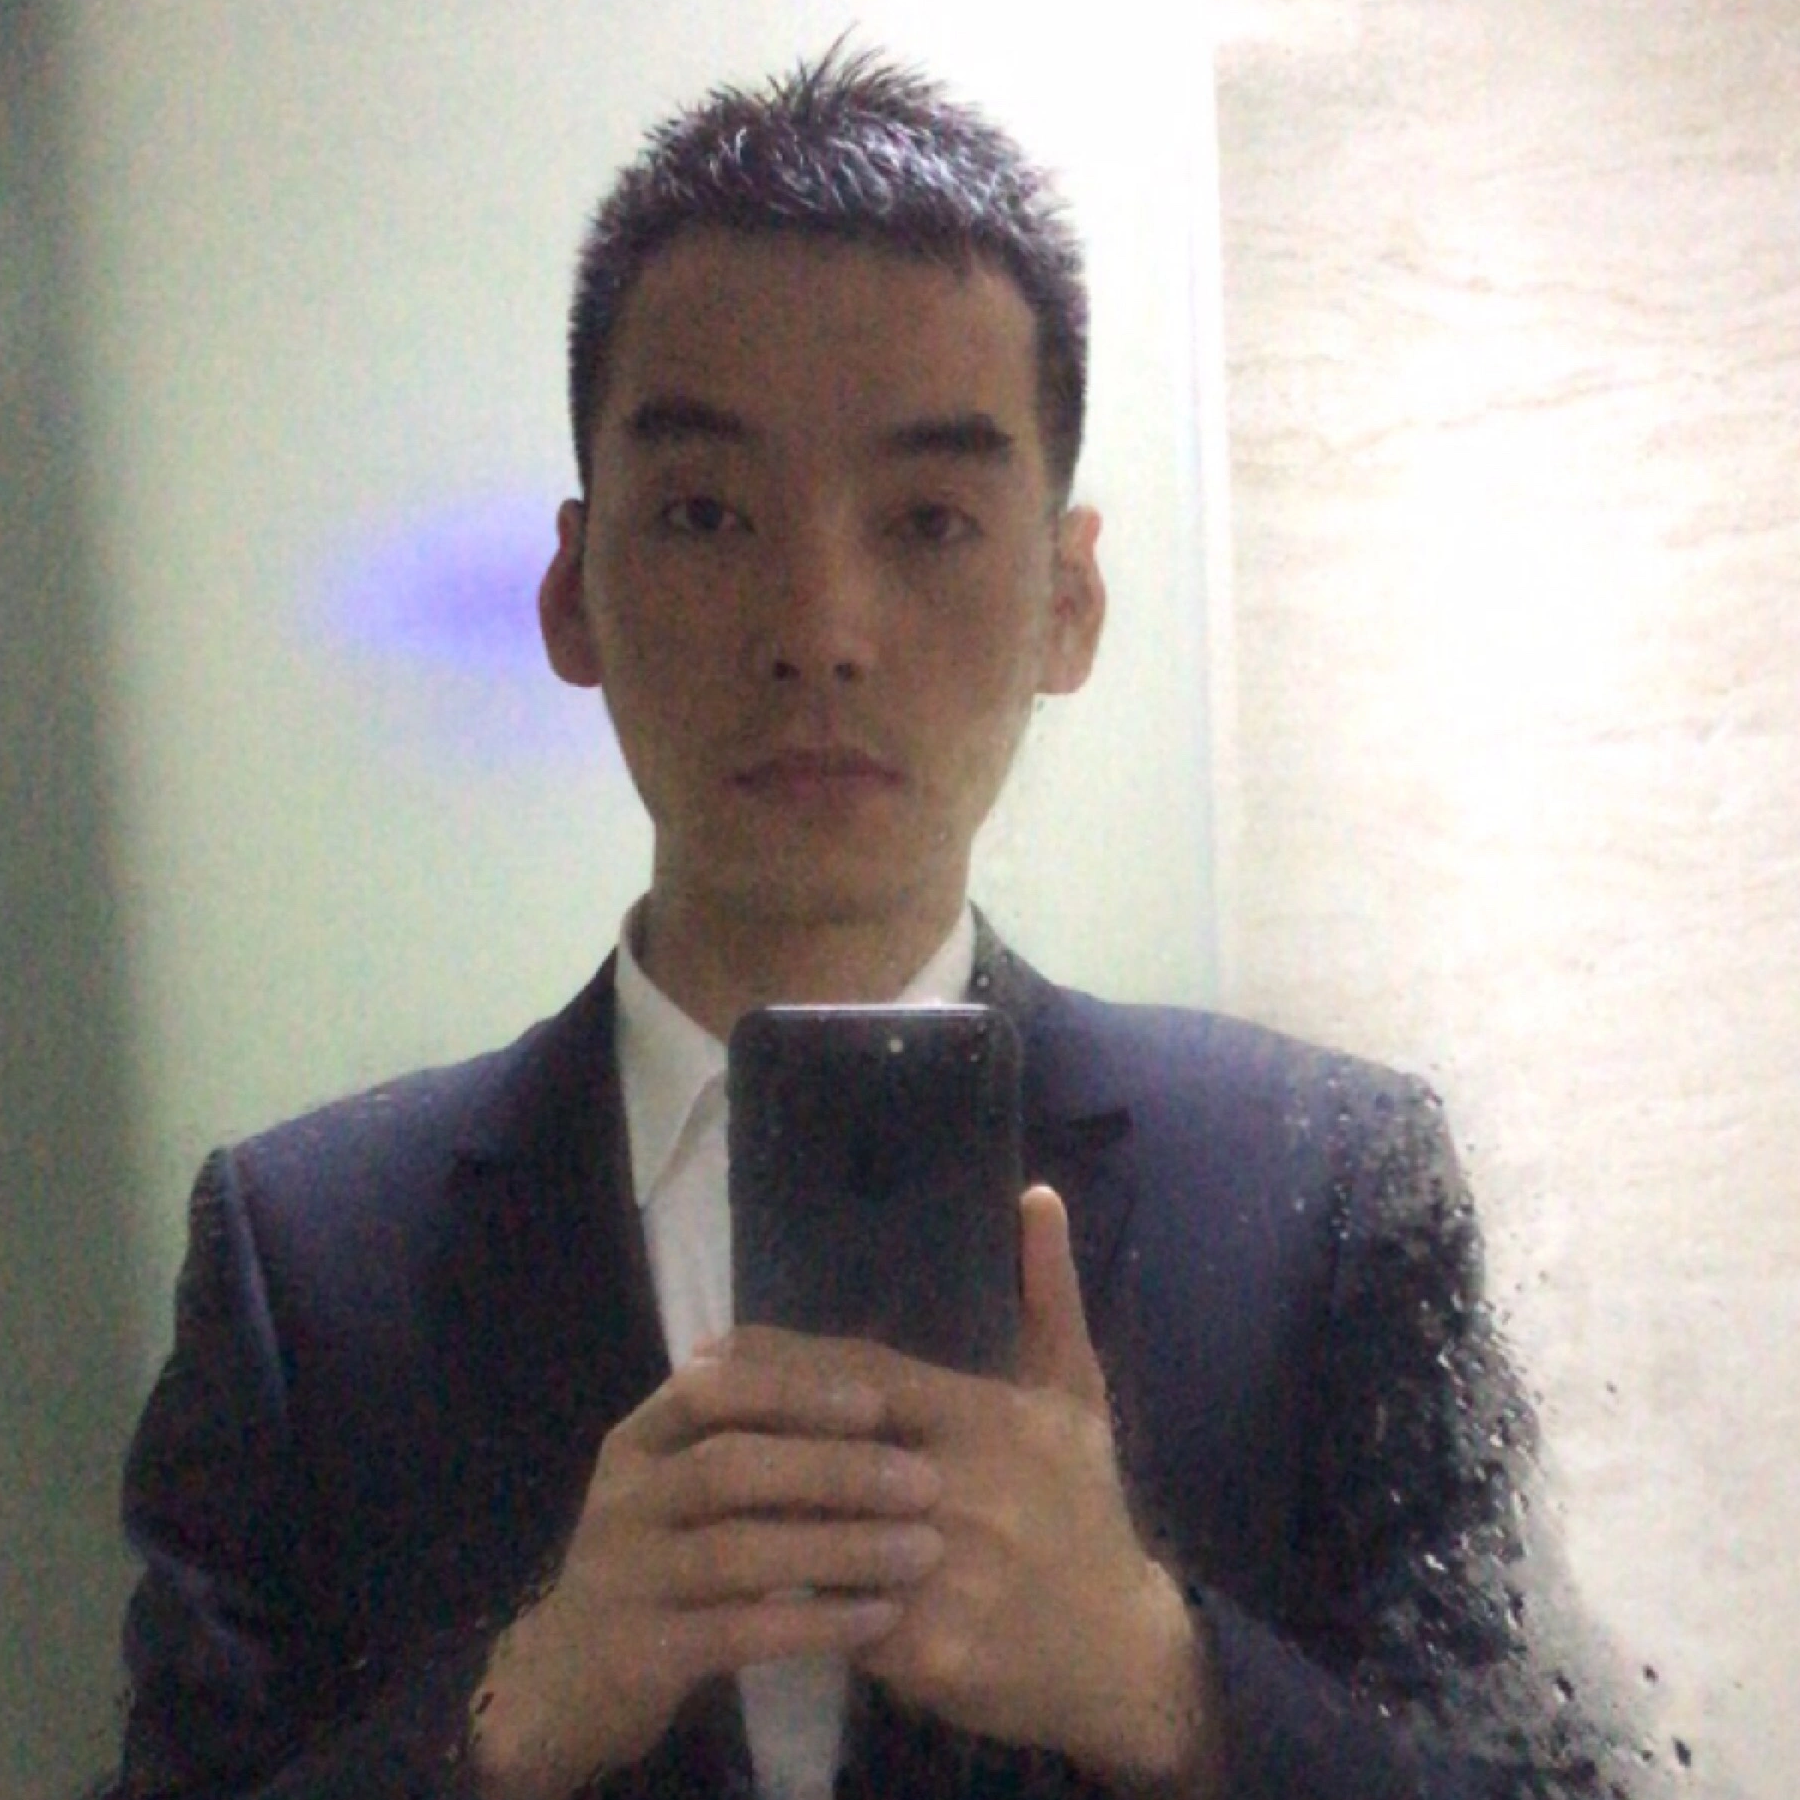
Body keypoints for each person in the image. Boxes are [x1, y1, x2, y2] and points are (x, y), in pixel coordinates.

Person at [110, 45, 1654, 1800]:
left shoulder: (1324, 1202)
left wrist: (1166, 1686)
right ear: (572, 589)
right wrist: (515, 1715)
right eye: (707, 512)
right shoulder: (310, 1264)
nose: (820, 628)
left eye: (928, 520)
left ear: (1068, 599)